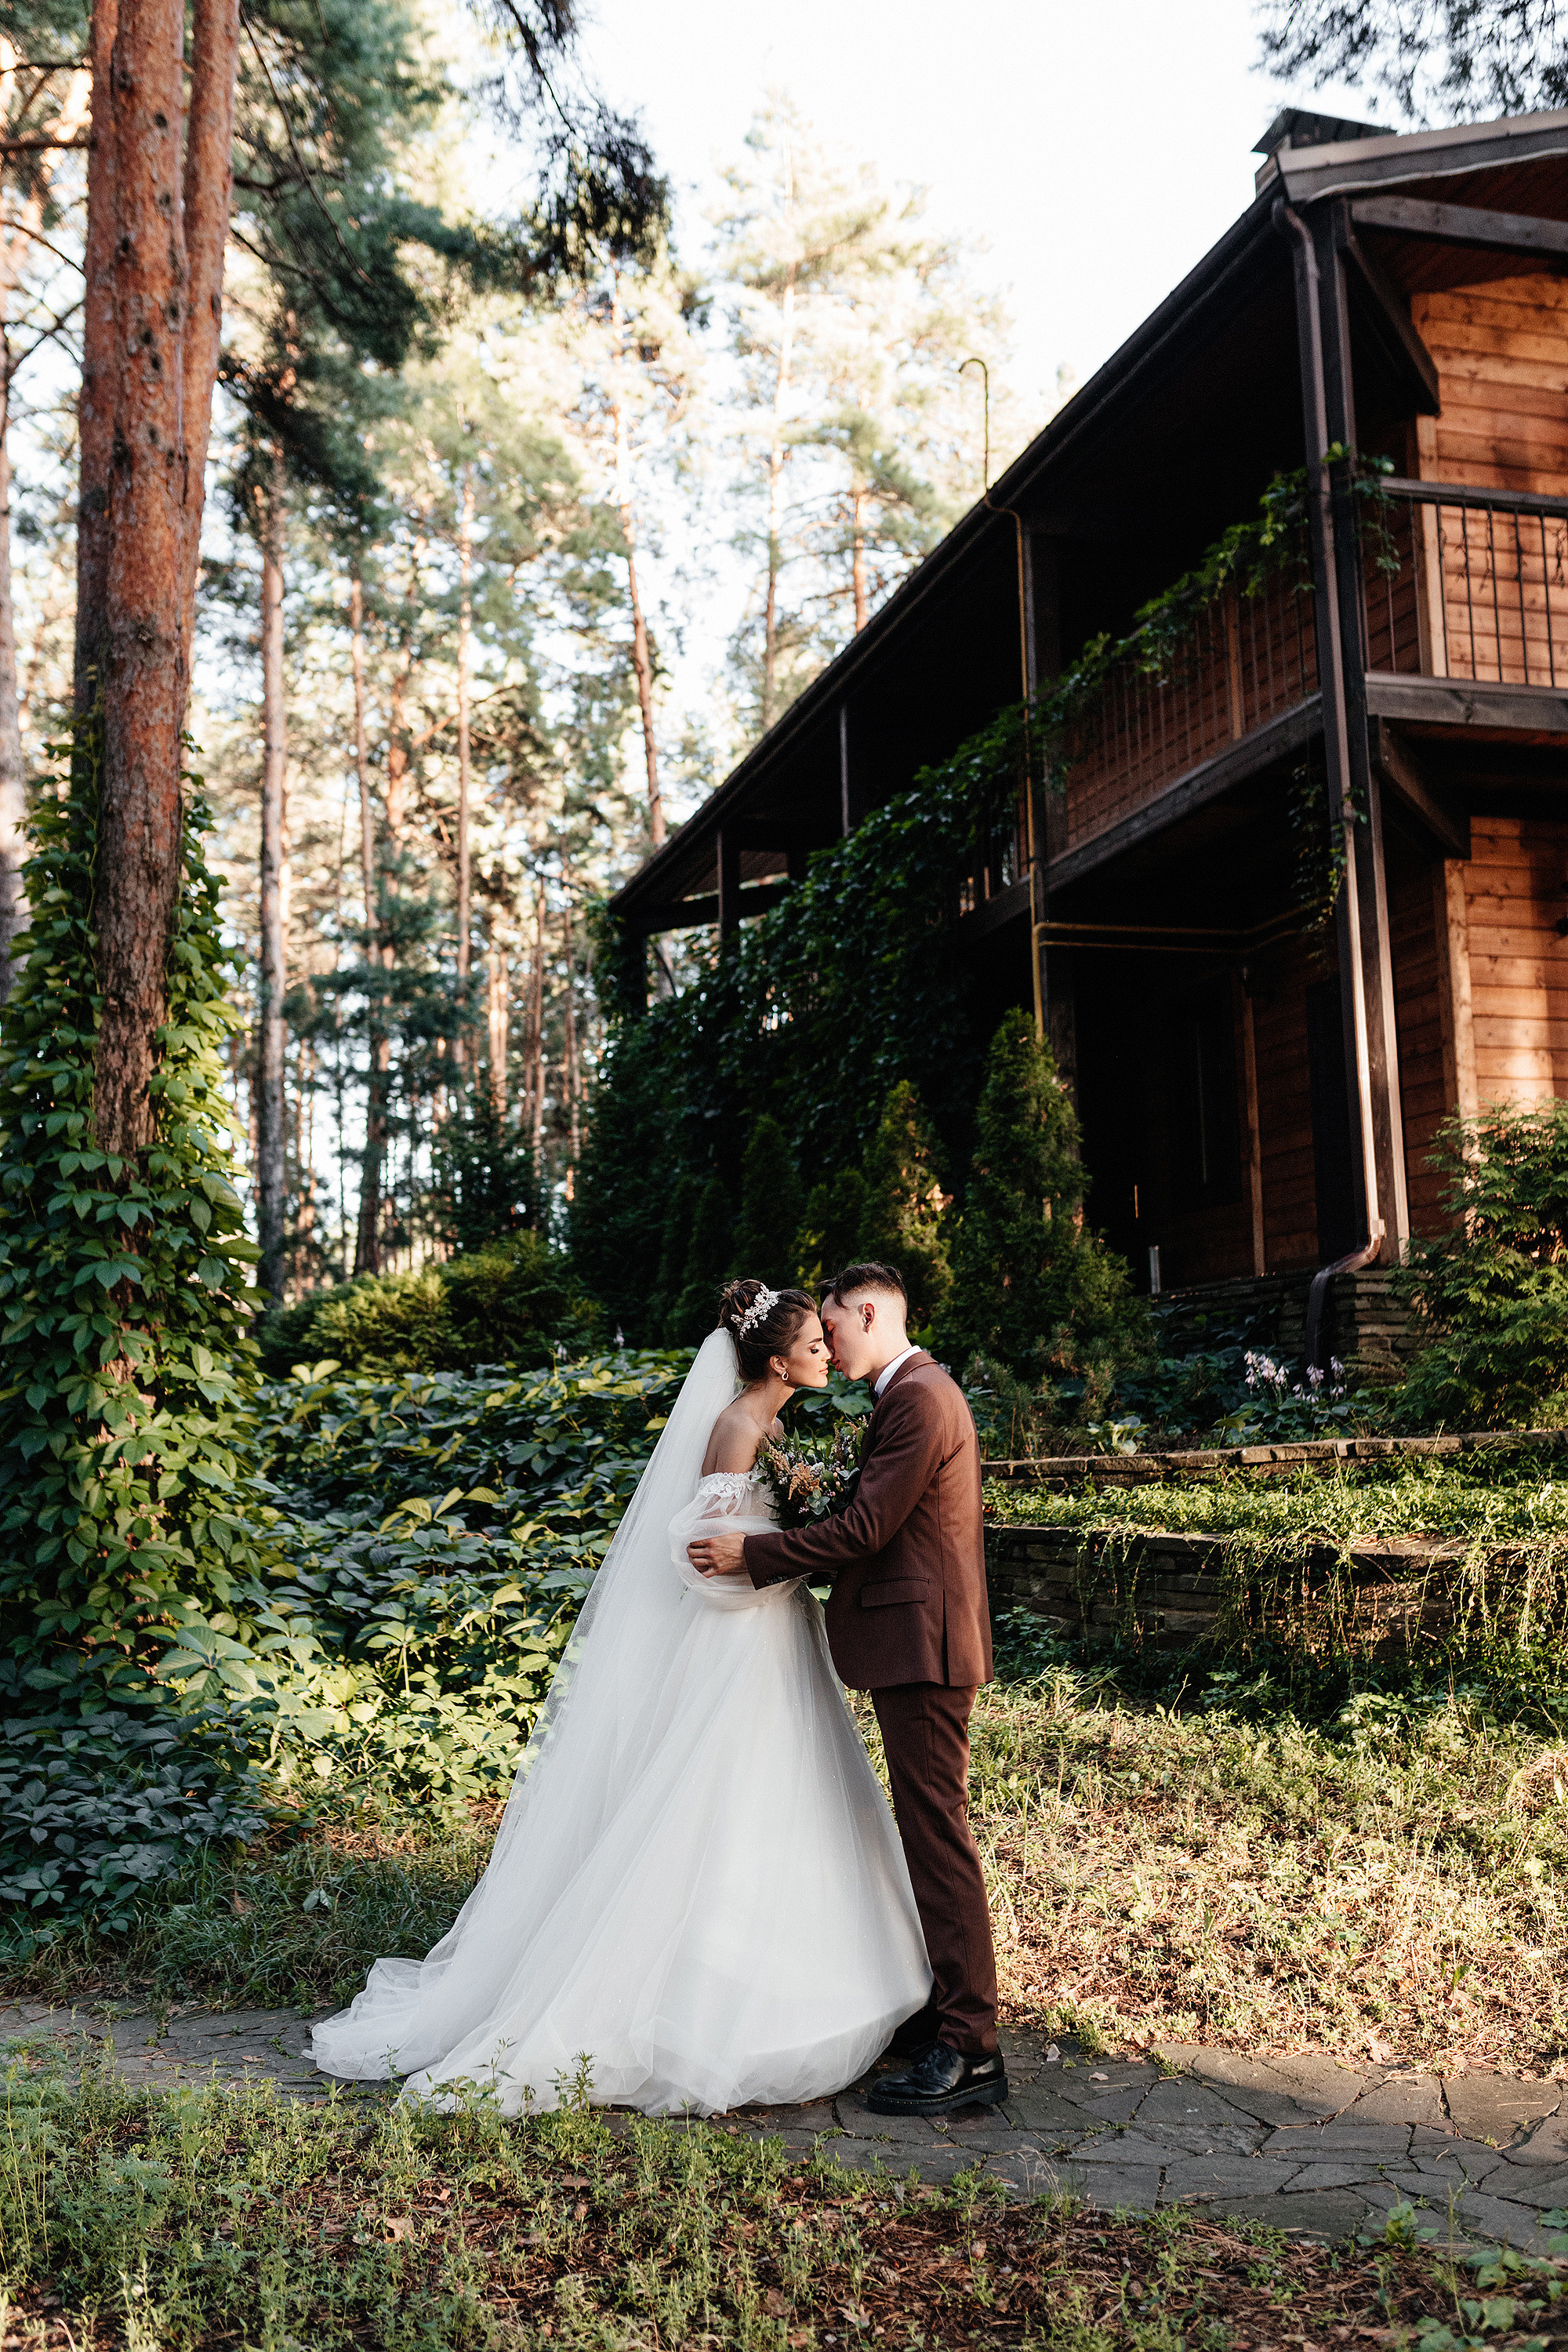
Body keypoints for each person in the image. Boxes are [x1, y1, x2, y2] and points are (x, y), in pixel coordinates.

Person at [310, 1278, 931, 2116]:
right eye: (814, 1345)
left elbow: (759, 1536)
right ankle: (690, 2009)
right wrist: (779, 1552)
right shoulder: (737, 1427)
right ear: (779, 1362)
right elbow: (699, 1552)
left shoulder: (776, 1426)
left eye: (828, 1340)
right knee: (721, 1802)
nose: (827, 1352)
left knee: (791, 1800)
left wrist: (791, 1540)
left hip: (776, 1630)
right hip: (737, 1643)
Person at [688, 1259, 1004, 2119]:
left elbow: (866, 1527)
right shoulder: (908, 1395)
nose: (826, 1343)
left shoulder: (921, 1398)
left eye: (830, 1326)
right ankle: (943, 2012)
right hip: (913, 1641)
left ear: (867, 1314)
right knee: (922, 1830)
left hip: (926, 1646)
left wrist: (754, 1554)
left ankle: (970, 2047)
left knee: (937, 1837)